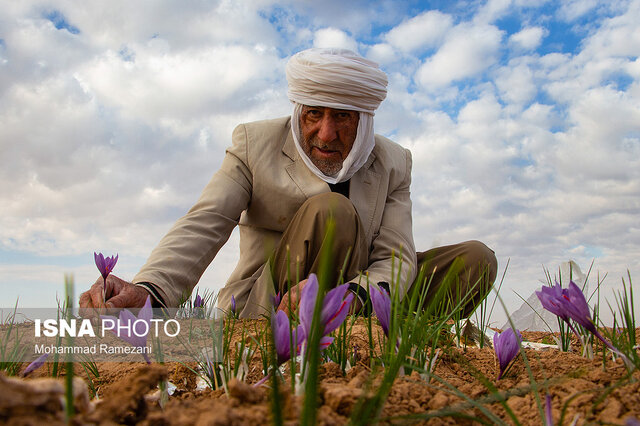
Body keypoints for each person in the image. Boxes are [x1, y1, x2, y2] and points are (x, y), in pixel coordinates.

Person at [79, 48, 497, 318]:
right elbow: (205, 222)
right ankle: (306, 332)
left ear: (364, 119)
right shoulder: (254, 143)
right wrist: (151, 289)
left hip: (359, 296)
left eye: (343, 117)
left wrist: (355, 296)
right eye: (314, 114)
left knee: (475, 260)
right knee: (331, 211)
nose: (326, 133)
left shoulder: (393, 162)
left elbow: (396, 258)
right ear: (298, 111)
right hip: (271, 302)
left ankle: (373, 331)